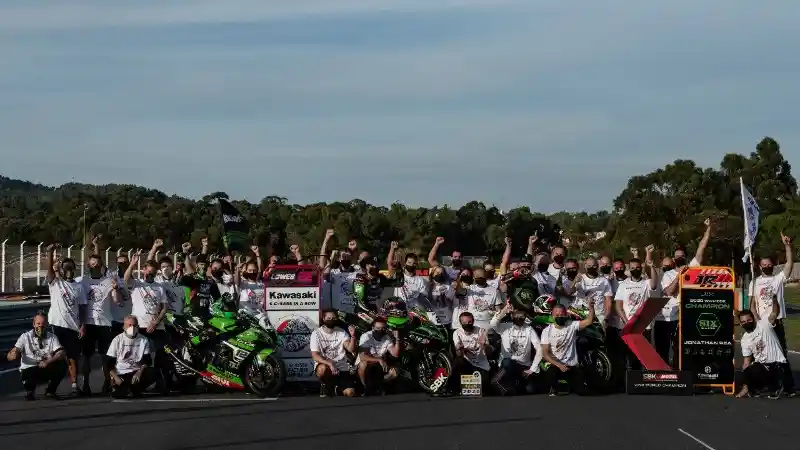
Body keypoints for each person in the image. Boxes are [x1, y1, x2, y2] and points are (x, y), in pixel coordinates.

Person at [748, 232, 795, 396]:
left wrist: (787, 246)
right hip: (761, 324)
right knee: (763, 356)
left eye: (769, 264)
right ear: (760, 266)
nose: (767, 266)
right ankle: (769, 385)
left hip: (776, 322)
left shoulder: (778, 279)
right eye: (764, 265)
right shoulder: (754, 282)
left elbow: (789, 265)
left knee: (781, 355)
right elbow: (752, 305)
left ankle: (788, 387)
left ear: (772, 266)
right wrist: (758, 321)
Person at [45, 244, 88, 396]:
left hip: (73, 327)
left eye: (71, 268)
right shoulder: (56, 283)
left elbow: (83, 307)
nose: (69, 270)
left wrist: (82, 325)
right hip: (57, 326)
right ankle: (51, 388)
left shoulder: (79, 287)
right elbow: (50, 273)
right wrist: (50, 253)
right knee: (56, 357)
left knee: (72, 358)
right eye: (66, 268)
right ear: (61, 270)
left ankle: (75, 385)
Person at [124, 254, 169, 394]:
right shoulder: (136, 284)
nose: (149, 274)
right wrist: (132, 264)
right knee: (139, 356)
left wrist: (156, 321)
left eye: (153, 273)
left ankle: (160, 383)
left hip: (157, 327)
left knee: (160, 355)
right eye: (148, 271)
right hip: (139, 327)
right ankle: (137, 383)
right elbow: (126, 278)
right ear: (143, 270)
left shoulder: (159, 287)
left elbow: (164, 307)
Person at [540, 301, 596, 396]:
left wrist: (591, 307)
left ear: (566, 315)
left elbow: (589, 321)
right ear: (552, 316)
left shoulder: (571, 325)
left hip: (571, 366)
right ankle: (555, 387)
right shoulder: (546, 331)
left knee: (582, 391)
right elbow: (545, 354)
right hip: (556, 366)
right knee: (549, 375)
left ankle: (572, 386)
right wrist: (559, 365)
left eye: (562, 315)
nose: (560, 317)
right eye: (557, 315)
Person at [78, 252, 116, 395]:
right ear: (88, 266)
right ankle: (85, 384)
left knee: (105, 356)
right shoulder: (82, 281)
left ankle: (107, 383)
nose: (95, 267)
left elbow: (117, 300)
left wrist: (115, 289)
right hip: (88, 323)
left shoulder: (109, 281)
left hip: (104, 323)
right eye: (92, 265)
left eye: (98, 265)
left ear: (102, 266)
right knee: (86, 356)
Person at [7, 312, 67, 400]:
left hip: (46, 365)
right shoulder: (25, 337)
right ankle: (30, 391)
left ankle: (51, 390)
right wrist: (13, 354)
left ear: (46, 324)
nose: (40, 327)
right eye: (38, 324)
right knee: (28, 375)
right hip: (30, 368)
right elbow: (14, 351)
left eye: (43, 324)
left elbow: (61, 352)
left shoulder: (52, 337)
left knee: (62, 364)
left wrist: (48, 361)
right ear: (34, 324)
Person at [613, 254, 658, 370]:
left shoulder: (646, 283)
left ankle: (644, 379)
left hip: (644, 326)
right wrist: (627, 322)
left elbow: (654, 285)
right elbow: (618, 306)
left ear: (641, 268)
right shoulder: (623, 285)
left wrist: (652, 267)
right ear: (629, 269)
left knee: (644, 357)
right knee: (631, 357)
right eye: (632, 268)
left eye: (638, 268)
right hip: (629, 325)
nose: (635, 270)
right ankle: (632, 378)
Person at [737, 298, 787, 399]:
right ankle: (752, 388)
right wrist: (745, 378)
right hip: (762, 367)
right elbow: (746, 361)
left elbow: (774, 313)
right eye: (744, 322)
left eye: (749, 320)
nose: (747, 323)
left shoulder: (764, 324)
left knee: (773, 387)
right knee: (748, 370)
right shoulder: (745, 339)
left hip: (777, 364)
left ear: (753, 319)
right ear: (741, 324)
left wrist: (774, 300)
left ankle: (777, 385)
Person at [490, 304, 542, 395]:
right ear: (512, 316)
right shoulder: (504, 327)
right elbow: (493, 323)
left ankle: (516, 385)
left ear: (525, 317)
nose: (518, 318)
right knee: (507, 362)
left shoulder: (529, 329)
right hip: (507, 365)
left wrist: (532, 369)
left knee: (531, 390)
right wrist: (504, 311)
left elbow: (539, 348)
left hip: (524, 366)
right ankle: (508, 383)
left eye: (521, 316)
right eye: (516, 316)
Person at [310, 309, 357, 397]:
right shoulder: (316, 334)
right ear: (323, 318)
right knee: (322, 369)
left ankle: (337, 388)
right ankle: (325, 384)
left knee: (351, 393)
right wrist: (330, 363)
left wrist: (353, 336)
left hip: (341, 367)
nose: (331, 320)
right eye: (329, 318)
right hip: (326, 366)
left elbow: (351, 349)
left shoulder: (342, 332)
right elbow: (315, 356)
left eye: (334, 318)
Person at [106, 315, 153, 399]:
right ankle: (127, 388)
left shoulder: (144, 340)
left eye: (134, 325)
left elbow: (148, 360)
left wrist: (139, 372)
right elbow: (109, 363)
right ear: (124, 327)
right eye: (129, 325)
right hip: (121, 372)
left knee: (153, 372)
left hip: (136, 372)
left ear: (138, 326)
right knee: (118, 395)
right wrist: (116, 377)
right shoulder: (117, 340)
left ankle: (136, 388)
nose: (132, 328)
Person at [356, 317, 402, 395]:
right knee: (363, 364)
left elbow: (396, 354)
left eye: (383, 328)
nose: (380, 330)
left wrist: (397, 339)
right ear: (373, 328)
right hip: (368, 363)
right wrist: (379, 359)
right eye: (378, 328)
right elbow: (362, 357)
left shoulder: (387, 338)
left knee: (395, 371)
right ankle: (365, 386)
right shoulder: (366, 336)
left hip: (380, 365)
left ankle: (379, 384)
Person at [451, 312, 491, 393]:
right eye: (464, 323)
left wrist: (484, 345)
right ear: (460, 323)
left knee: (484, 388)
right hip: (467, 363)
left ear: (473, 321)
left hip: (481, 365)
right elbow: (459, 355)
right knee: (457, 362)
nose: (467, 324)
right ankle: (454, 388)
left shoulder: (481, 331)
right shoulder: (457, 333)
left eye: (469, 322)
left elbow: (489, 353)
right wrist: (460, 349)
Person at [388, 242, 429, 309]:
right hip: (399, 306)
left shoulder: (420, 280)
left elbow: (424, 296)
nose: (411, 265)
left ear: (416, 264)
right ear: (405, 263)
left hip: (414, 308)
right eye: (409, 262)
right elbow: (390, 264)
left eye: (414, 263)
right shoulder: (398, 275)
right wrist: (392, 249)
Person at [235, 246, 265, 315]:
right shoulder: (242, 283)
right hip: (245, 315)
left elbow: (260, 269)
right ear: (246, 271)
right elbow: (236, 282)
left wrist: (257, 253)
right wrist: (237, 271)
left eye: (254, 270)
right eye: (250, 270)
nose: (252, 272)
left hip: (260, 315)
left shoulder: (261, 283)